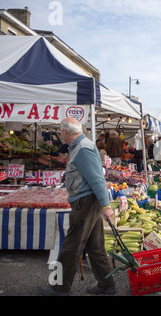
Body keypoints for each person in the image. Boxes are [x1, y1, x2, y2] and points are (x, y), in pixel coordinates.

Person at [39, 117, 115, 296]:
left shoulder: (82, 149)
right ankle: (107, 285)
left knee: (71, 246)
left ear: (65, 131)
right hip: (89, 201)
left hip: (86, 203)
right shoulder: (82, 145)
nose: (60, 134)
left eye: (60, 131)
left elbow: (97, 179)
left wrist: (106, 205)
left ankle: (59, 287)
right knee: (96, 247)